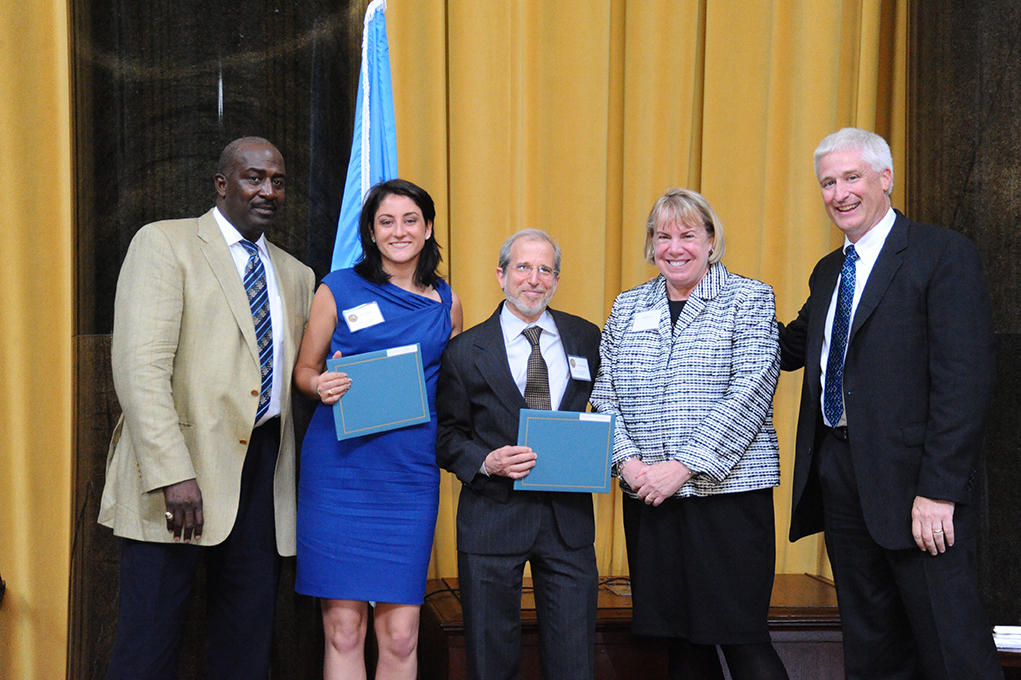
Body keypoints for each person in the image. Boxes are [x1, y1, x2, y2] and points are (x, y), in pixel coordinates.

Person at [780, 128, 1002, 679]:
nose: (839, 194)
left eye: (851, 177)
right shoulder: (829, 272)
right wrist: (708, 290)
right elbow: (788, 348)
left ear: (886, 178)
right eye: (828, 183)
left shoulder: (941, 253)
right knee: (871, 647)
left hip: (919, 490)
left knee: (952, 647)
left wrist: (939, 490)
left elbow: (964, 382)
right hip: (842, 477)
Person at [98, 137, 316, 680]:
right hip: (178, 472)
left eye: (278, 181)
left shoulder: (297, 274)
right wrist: (173, 473)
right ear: (222, 184)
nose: (268, 190)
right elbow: (139, 369)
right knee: (148, 645)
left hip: (264, 473)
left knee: (245, 644)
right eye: (253, 177)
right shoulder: (164, 243)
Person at [590, 188, 789, 680]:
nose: (674, 248)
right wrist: (628, 463)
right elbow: (604, 391)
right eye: (663, 236)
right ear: (651, 244)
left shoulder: (749, 298)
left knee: (742, 639)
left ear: (711, 240)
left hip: (726, 498)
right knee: (680, 642)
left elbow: (752, 389)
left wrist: (683, 467)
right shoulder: (628, 305)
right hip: (650, 498)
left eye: (687, 235)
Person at [294, 178, 463, 680]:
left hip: (408, 476)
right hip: (340, 472)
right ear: (370, 231)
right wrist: (319, 384)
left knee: (402, 634)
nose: (399, 231)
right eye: (386, 221)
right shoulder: (338, 287)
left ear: (428, 228)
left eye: (410, 220)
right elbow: (304, 371)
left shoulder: (447, 302)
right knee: (344, 631)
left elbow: (454, 389)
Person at [436, 229, 602, 680]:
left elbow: (609, 411)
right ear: (501, 275)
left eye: (545, 269)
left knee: (574, 663)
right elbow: (447, 437)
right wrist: (485, 461)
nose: (534, 279)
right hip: (491, 519)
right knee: (491, 663)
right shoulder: (464, 351)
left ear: (557, 280)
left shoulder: (587, 338)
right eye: (523, 267)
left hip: (568, 523)